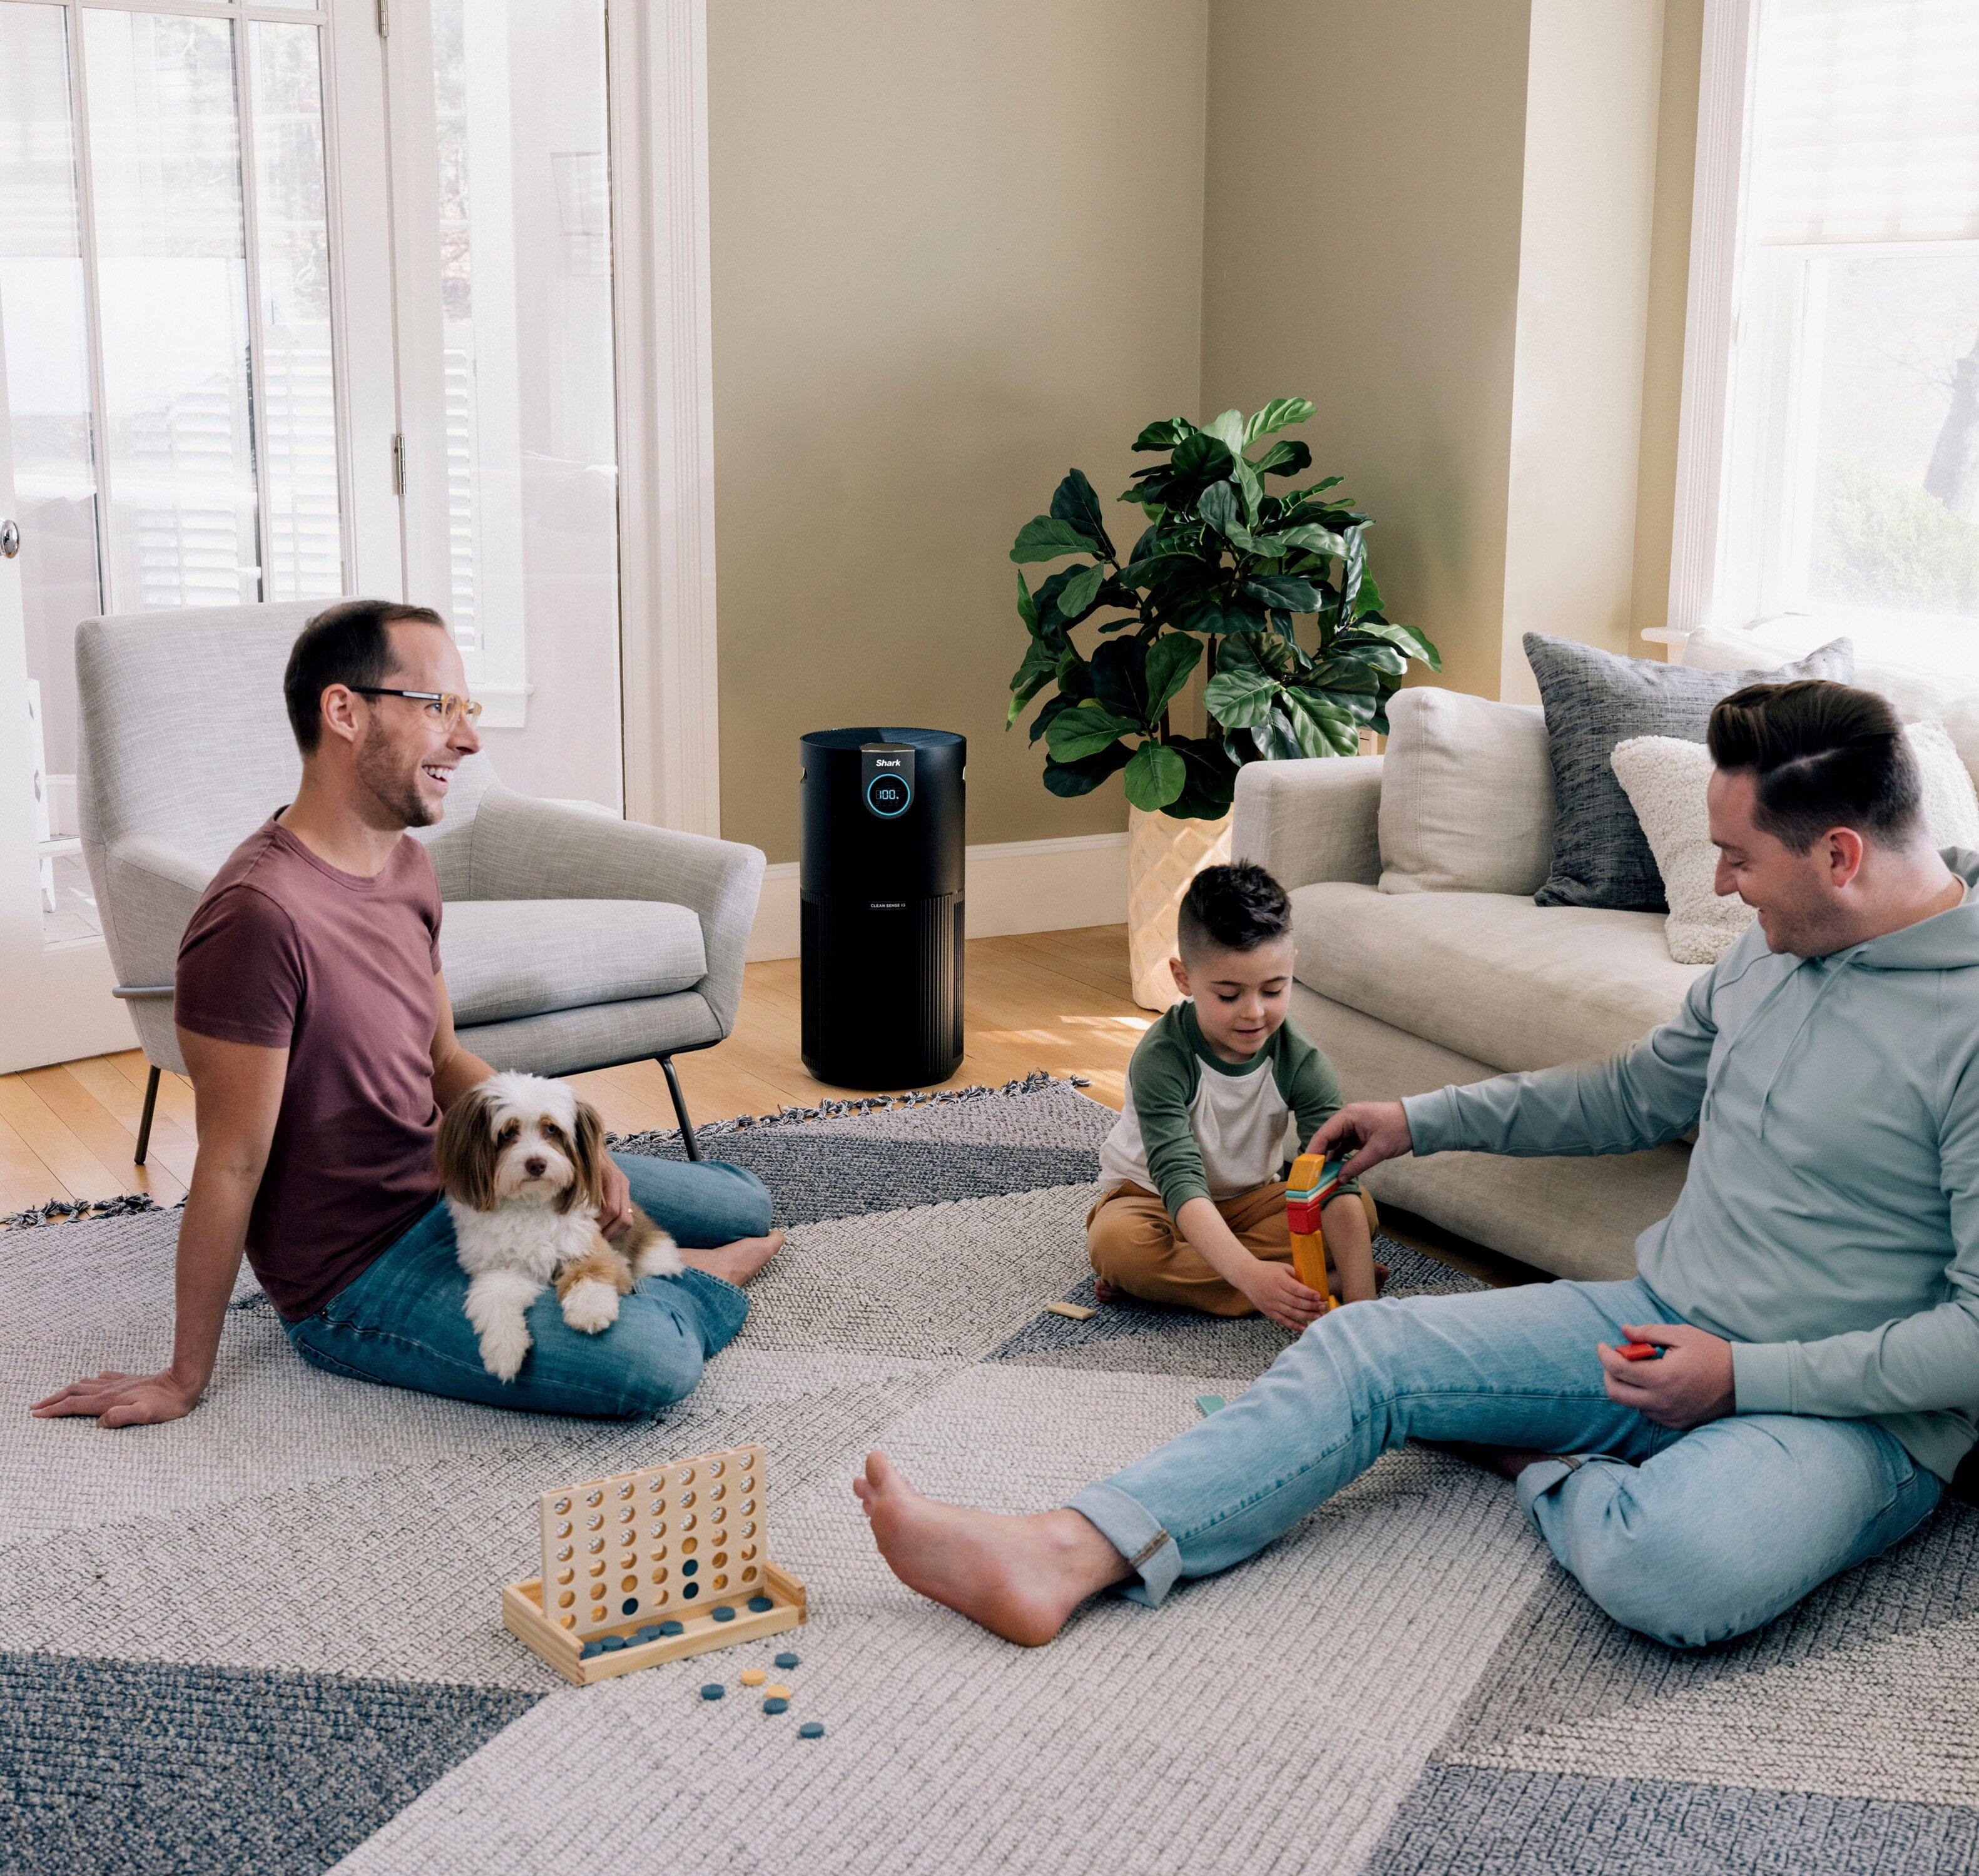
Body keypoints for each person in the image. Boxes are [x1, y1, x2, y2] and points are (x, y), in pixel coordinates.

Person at [853, 678, 1979, 1650]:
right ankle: (1065, 1550)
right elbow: (1628, 1093)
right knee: (1361, 1346)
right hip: (1659, 1318)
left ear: (1837, 856)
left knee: (1671, 1566)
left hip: (1843, 1411)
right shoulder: (1771, 957)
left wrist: (1740, 1380)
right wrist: (1415, 1120)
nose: (1723, 885)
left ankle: (1532, 1452)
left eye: (1735, 857)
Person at [31, 599, 781, 1431]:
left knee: (742, 1201)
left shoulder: (406, 867)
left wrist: (577, 1140)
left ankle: (651, 1260)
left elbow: (444, 1058)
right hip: (358, 1270)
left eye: (467, 709)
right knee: (652, 1361)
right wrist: (182, 1373)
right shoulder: (255, 916)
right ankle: (684, 1279)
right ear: (345, 710)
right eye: (439, 708)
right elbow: (231, 1161)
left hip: (456, 1178)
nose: (467, 739)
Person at [1087, 861, 1380, 1327]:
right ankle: (1304, 1283)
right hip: (1150, 1196)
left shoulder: (1300, 1059)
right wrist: (1251, 1276)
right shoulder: (1162, 1058)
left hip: (1251, 1199)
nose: (1254, 1013)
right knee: (1119, 1246)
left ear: (1291, 968)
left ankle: (1182, 1284)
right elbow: (1179, 1179)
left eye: (1273, 989)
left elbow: (1332, 1177)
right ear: (1183, 978)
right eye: (1228, 995)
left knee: (1357, 1212)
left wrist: (1363, 1311)